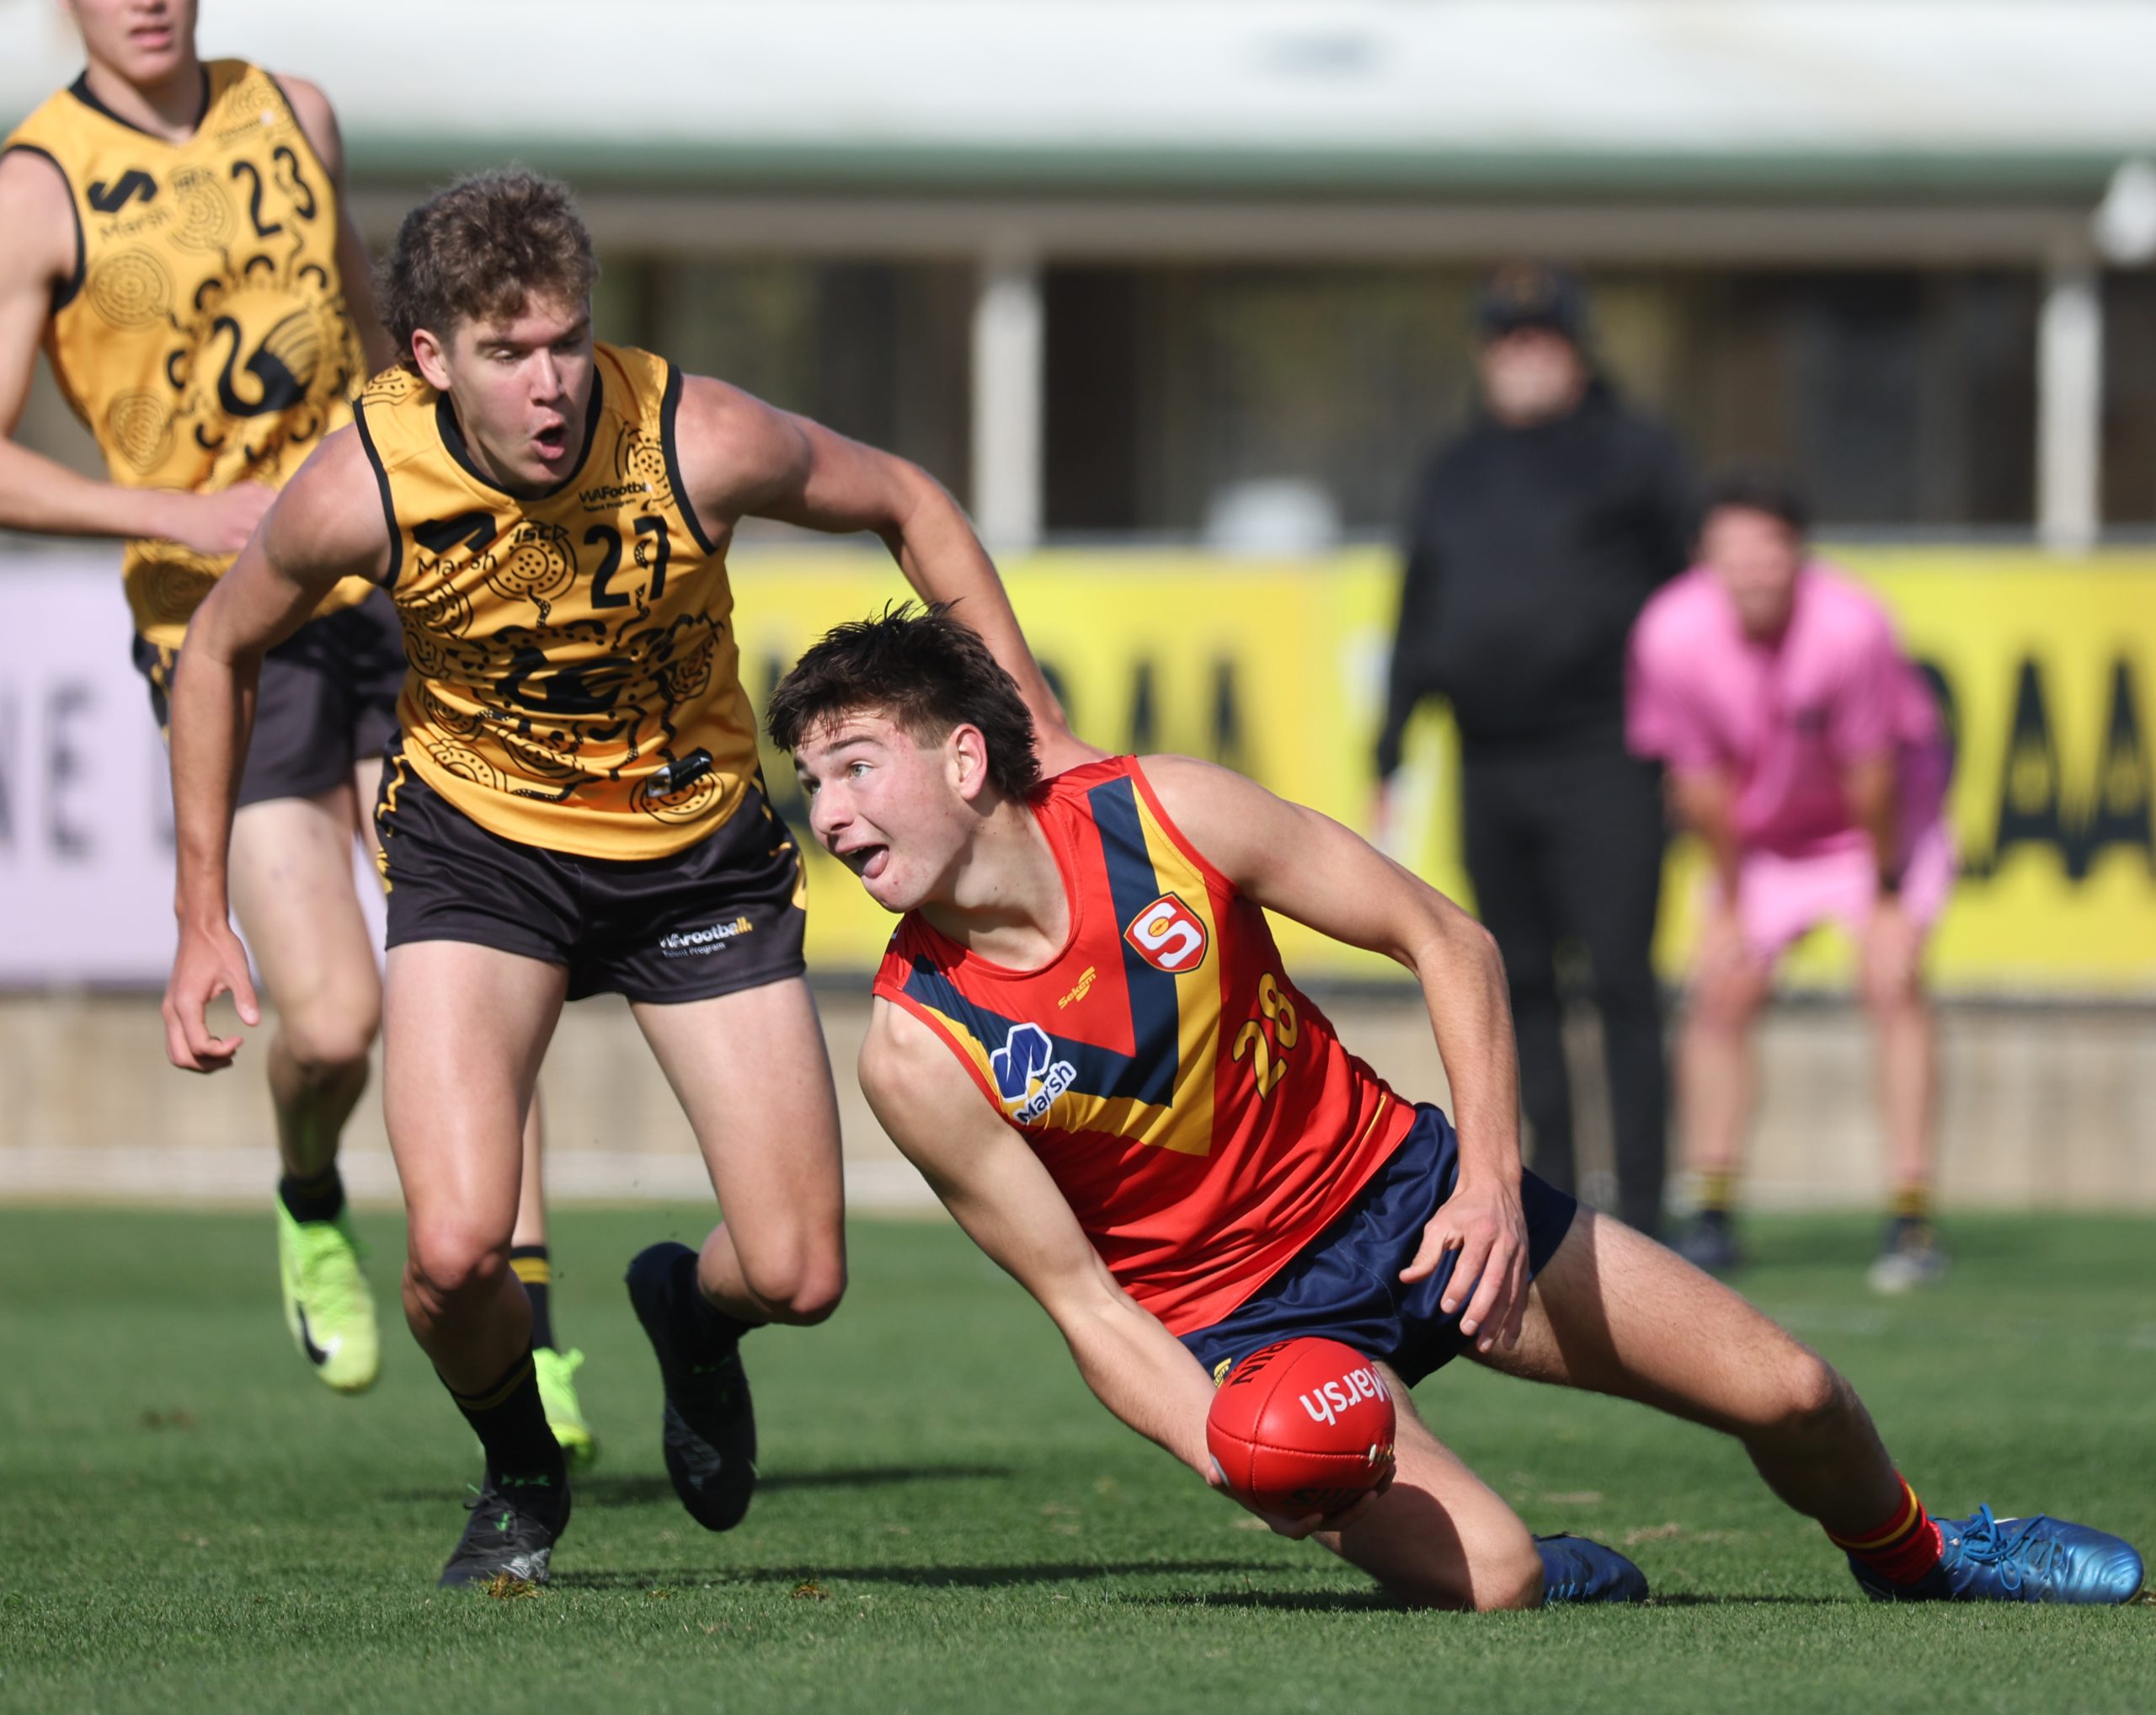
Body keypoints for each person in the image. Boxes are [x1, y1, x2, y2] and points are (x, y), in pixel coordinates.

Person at [769, 602, 2142, 1611]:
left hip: (1415, 1195)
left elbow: (1447, 939)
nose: (828, 814)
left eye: (854, 766)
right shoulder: (917, 1049)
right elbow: (1087, 1305)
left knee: (1794, 1392)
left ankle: (1924, 1556)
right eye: (812, 781)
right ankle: (1539, 1566)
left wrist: (1489, 1180)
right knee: (1492, 1582)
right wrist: (1228, 1448)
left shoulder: (1164, 815)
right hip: (1248, 1329)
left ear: (962, 760)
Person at [158, 170, 1088, 1587]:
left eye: (565, 342)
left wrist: (1034, 726)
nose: (547, 384)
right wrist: (199, 914)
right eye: (506, 353)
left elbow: (910, 500)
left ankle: (688, 1312)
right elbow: (217, 649)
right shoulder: (363, 483)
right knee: (456, 1256)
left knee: (798, 1276)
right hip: (481, 863)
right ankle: (522, 1470)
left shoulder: (694, 435)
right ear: (429, 359)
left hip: (693, 857)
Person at [0, 0, 592, 1450]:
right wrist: (169, 510)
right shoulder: (36, 186)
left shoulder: (299, 111)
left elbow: (392, 356)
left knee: (482, 947)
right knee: (331, 1019)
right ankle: (310, 1193)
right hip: (220, 624)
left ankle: (537, 1323)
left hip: (395, 584)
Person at [1373, 263, 1694, 1237]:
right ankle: (1552, 1202)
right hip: (1489, 759)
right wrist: (1390, 741)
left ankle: (1646, 1205)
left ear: (1575, 347)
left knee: (1621, 981)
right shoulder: (1454, 467)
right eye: (1505, 338)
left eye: (1540, 337)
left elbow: (1691, 606)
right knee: (1519, 986)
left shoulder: (1634, 453)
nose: (1521, 354)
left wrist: (1696, 742)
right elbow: (1420, 606)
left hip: (1608, 756)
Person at [1628, 471, 1956, 1290]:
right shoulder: (1669, 632)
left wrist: (1882, 895)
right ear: (1704, 554)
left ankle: (1909, 1217)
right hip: (1757, 834)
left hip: (1868, 827)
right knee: (1722, 991)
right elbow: (1697, 785)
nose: (1753, 567)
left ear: (1798, 553)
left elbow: (1872, 770)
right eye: (1732, 548)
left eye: (1770, 547)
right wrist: (1732, 904)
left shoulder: (1850, 626)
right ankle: (1712, 1211)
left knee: (1893, 979)